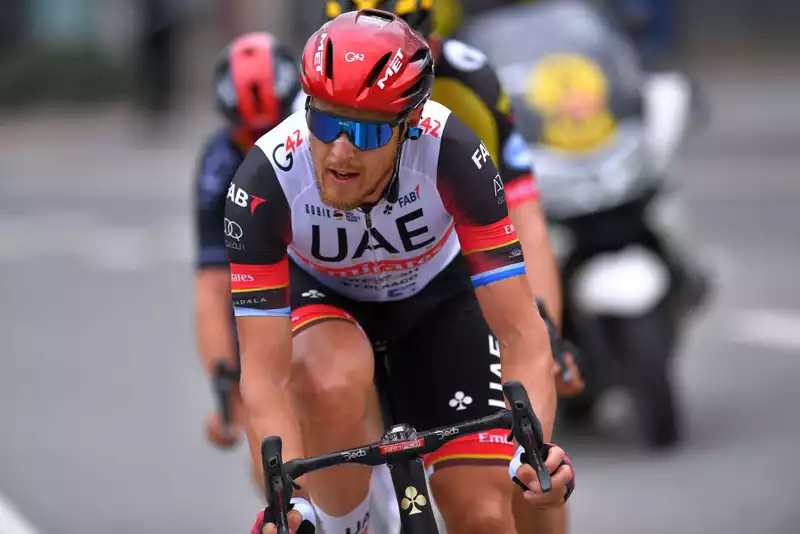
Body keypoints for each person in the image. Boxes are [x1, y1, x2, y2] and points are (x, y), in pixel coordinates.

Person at [228, 9, 575, 534]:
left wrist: (534, 452)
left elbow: (522, 333)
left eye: (364, 134)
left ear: (408, 126)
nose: (338, 152)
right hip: (327, 301)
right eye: (324, 122)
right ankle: (348, 525)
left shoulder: (453, 153)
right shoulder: (264, 179)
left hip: (438, 300)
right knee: (327, 379)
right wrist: (288, 506)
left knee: (482, 514)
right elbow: (265, 377)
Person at [320, 0, 583, 396]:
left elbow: (523, 216)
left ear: (434, 41)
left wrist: (546, 335)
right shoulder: (304, 106)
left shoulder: (473, 81)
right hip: (345, 273)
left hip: (445, 264)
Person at [194, 31, 300, 454]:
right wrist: (225, 392)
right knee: (268, 459)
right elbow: (213, 285)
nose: (264, 150)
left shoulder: (326, 142)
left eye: (275, 132)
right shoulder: (218, 164)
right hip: (265, 297)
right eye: (249, 138)